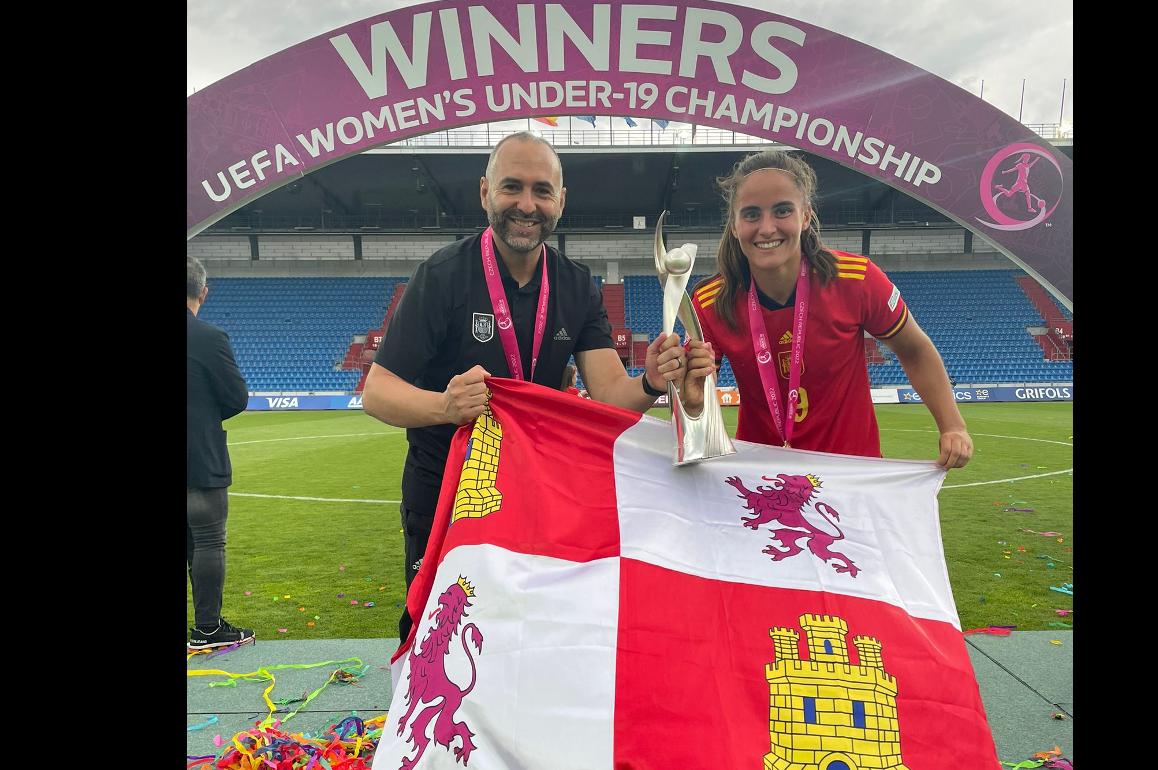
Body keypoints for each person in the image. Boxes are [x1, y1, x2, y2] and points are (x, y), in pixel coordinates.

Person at [363, 132, 686, 643]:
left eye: (541, 190)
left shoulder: (578, 285)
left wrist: (649, 380)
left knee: (523, 632)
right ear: (485, 192)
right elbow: (377, 393)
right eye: (512, 187)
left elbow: (609, 394)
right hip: (447, 492)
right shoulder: (442, 276)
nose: (526, 205)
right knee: (436, 628)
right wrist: (445, 406)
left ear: (560, 200)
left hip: (535, 489)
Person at [681, 150, 973, 469]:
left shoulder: (858, 279)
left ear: (805, 216)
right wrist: (691, 399)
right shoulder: (709, 302)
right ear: (735, 226)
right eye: (751, 214)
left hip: (851, 476)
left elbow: (914, 349)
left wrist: (953, 426)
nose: (766, 228)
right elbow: (696, 395)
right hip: (763, 478)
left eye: (782, 211)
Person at [187, 256, 255, 650]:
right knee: (209, 541)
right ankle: (208, 629)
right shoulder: (209, 338)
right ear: (203, 292)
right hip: (198, 456)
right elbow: (235, 397)